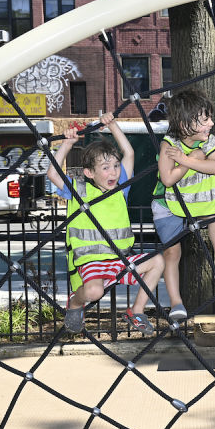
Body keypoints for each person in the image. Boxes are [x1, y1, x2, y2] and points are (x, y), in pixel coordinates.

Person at [47, 115, 165, 335]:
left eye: (115, 166)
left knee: (157, 261)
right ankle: (75, 303)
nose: (113, 172)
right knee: (94, 293)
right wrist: (67, 143)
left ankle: (136, 311)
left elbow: (129, 153)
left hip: (119, 259)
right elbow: (53, 173)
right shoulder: (79, 191)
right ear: (89, 173)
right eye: (105, 167)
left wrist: (112, 125)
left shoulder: (121, 189)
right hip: (91, 261)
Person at [151, 89, 215, 321]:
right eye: (205, 119)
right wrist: (189, 160)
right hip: (168, 204)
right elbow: (168, 179)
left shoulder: (210, 141)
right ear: (184, 124)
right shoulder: (169, 145)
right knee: (172, 252)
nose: (212, 123)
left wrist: (186, 160)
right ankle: (176, 302)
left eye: (210, 118)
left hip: (199, 202)